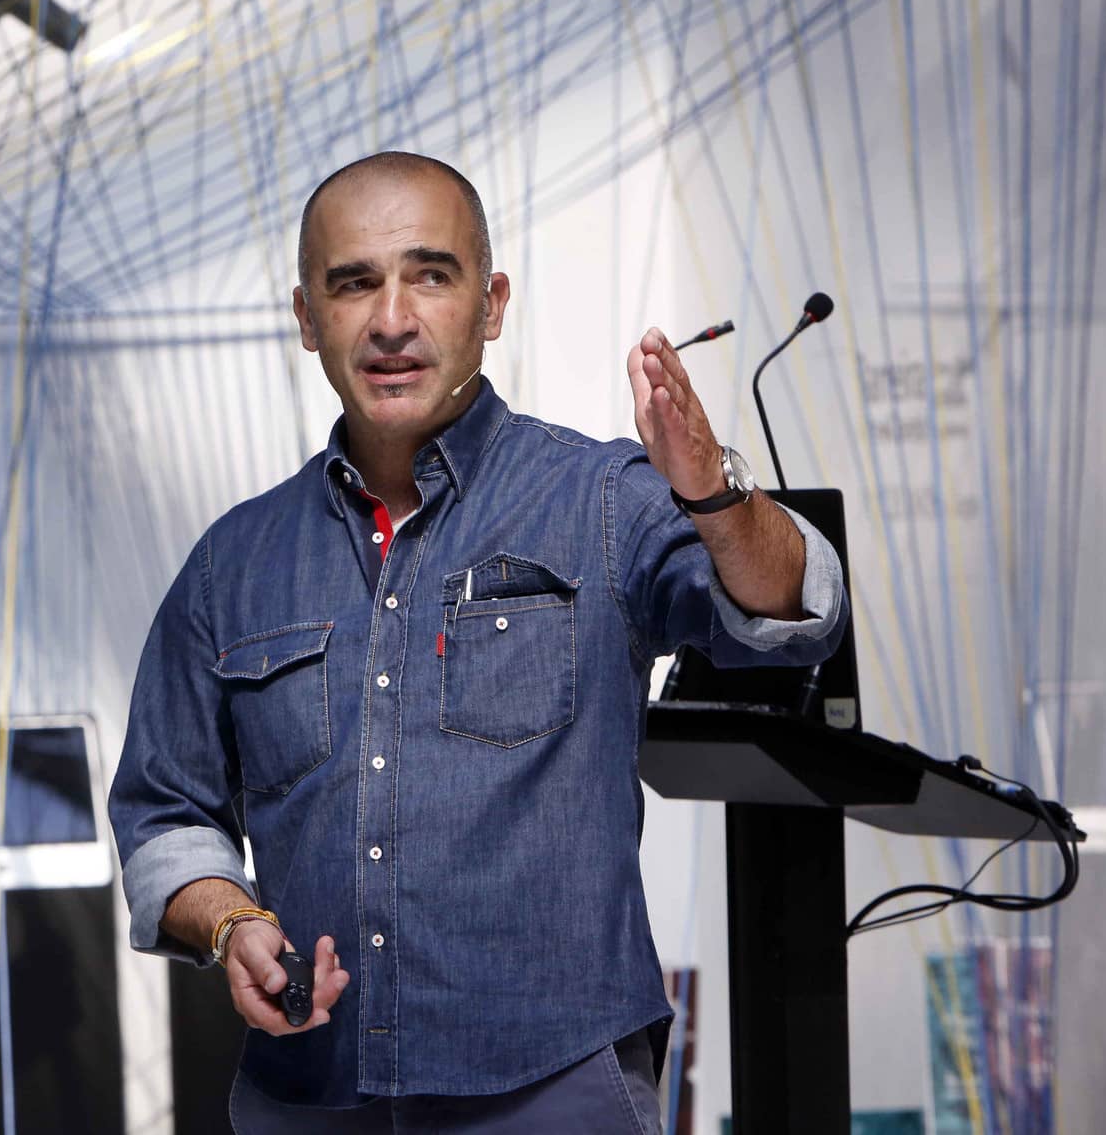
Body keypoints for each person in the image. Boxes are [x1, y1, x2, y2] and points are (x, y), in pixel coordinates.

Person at [107, 151, 848, 1133]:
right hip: (309, 1095)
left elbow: (793, 614)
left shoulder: (601, 500)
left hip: (553, 1088)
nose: (391, 319)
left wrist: (711, 489)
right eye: (353, 283)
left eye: (430, 275)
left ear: (490, 304)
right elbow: (164, 812)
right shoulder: (231, 562)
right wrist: (229, 920)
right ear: (306, 317)